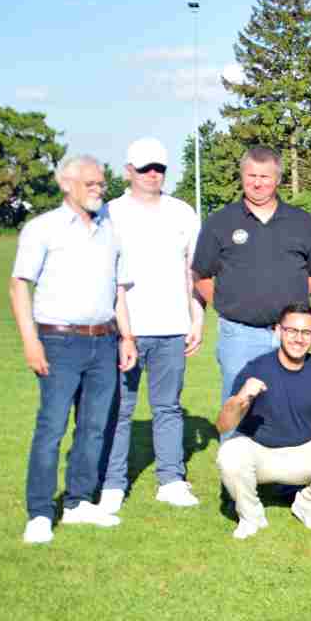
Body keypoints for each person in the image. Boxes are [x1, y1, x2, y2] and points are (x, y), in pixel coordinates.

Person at [12, 155, 138, 543]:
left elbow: (118, 291)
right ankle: (39, 512)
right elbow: (19, 285)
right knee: (51, 427)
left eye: (101, 183)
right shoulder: (42, 229)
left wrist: (127, 337)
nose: (99, 189)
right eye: (91, 183)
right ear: (66, 184)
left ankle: (80, 501)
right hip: (57, 341)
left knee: (95, 426)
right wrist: (31, 341)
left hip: (104, 341)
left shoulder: (111, 231)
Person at [100, 137, 204, 512]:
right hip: (124, 330)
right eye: (144, 168)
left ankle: (171, 479)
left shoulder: (182, 213)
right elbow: (104, 274)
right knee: (120, 409)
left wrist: (197, 316)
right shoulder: (109, 212)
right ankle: (113, 483)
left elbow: (193, 270)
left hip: (173, 327)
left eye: (158, 167)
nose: (152, 174)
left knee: (168, 407)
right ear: (129, 171)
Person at [192, 147, 311, 420]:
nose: (257, 182)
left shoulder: (301, 221)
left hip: (291, 336)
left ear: (278, 179)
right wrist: (224, 305)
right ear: (242, 176)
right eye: (251, 175)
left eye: (265, 176)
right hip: (240, 335)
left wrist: (293, 302)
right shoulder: (220, 221)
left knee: (290, 409)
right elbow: (201, 275)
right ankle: (234, 462)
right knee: (238, 409)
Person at [214, 303, 311, 539]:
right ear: (278, 331)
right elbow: (224, 425)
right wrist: (242, 397)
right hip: (259, 450)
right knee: (229, 456)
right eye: (291, 330)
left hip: (304, 450)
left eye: (306, 333)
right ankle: (251, 516)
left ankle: (308, 507)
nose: (298, 338)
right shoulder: (256, 368)